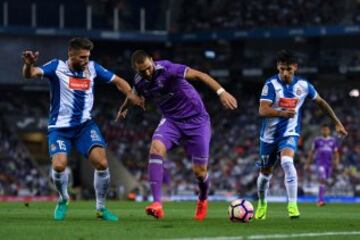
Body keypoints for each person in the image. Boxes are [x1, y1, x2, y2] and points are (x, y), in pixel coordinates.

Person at [22, 37, 143, 221]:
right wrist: (29, 65)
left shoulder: (93, 68)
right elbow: (30, 74)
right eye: (81, 57)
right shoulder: (56, 67)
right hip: (59, 127)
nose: (85, 61)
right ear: (70, 53)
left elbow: (118, 81)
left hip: (85, 126)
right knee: (59, 165)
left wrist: (130, 94)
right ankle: (63, 199)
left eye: (87, 57)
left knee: (102, 163)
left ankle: (101, 209)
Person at [117, 50, 238, 220]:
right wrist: (125, 107)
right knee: (156, 148)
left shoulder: (168, 68)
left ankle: (203, 199)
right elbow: (133, 94)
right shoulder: (139, 80)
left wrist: (221, 92)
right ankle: (157, 204)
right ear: (136, 70)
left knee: (200, 172)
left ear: (152, 61)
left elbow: (200, 75)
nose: (147, 73)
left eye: (148, 68)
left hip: (197, 121)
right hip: (171, 121)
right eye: (142, 71)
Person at [255, 50, 347, 220]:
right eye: (281, 69)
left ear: (295, 68)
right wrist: (282, 113)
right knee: (264, 174)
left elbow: (321, 102)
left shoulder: (304, 86)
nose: (284, 73)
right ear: (277, 67)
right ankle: (262, 203)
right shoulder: (270, 85)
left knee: (287, 162)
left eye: (288, 69)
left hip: (290, 133)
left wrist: (337, 122)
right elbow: (262, 110)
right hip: (268, 137)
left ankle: (292, 205)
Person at [305, 124, 339, 206]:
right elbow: (311, 152)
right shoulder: (317, 140)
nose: (325, 131)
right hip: (320, 163)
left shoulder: (333, 141)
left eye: (326, 130)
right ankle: (320, 200)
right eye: (324, 130)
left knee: (324, 182)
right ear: (321, 130)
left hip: (329, 164)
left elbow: (336, 153)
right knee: (322, 179)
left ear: (329, 131)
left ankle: (320, 198)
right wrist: (307, 164)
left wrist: (336, 162)